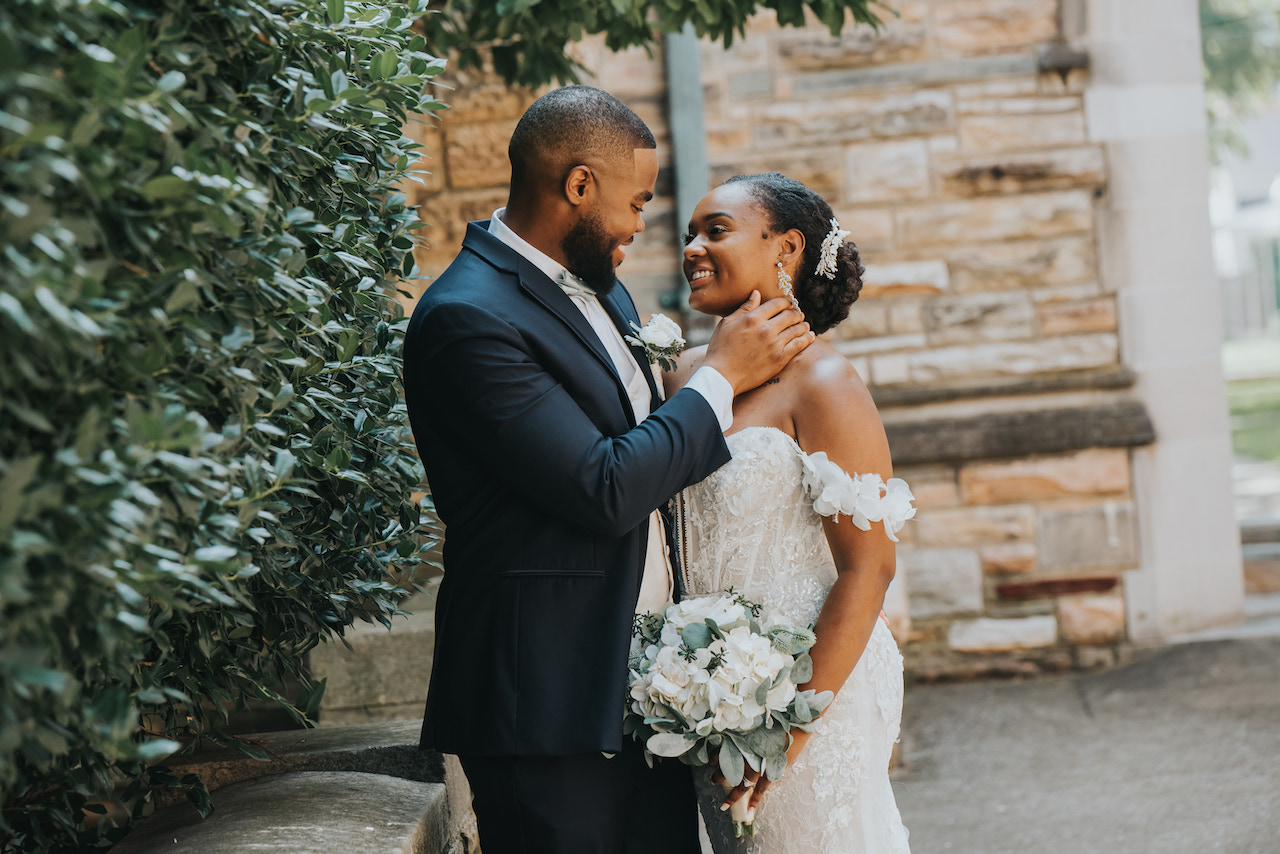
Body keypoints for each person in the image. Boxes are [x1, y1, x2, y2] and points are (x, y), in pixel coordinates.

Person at [401, 88, 815, 854]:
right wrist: (720, 377)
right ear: (579, 186)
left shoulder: (603, 286)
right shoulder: (467, 318)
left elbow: (650, 435)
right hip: (547, 704)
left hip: (642, 697)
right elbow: (605, 485)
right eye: (636, 202)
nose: (639, 225)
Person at [666, 173, 913, 853]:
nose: (692, 247)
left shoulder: (826, 383)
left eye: (715, 230)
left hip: (810, 694)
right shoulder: (682, 377)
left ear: (787, 248)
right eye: (689, 233)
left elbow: (870, 569)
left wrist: (784, 735)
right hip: (703, 698)